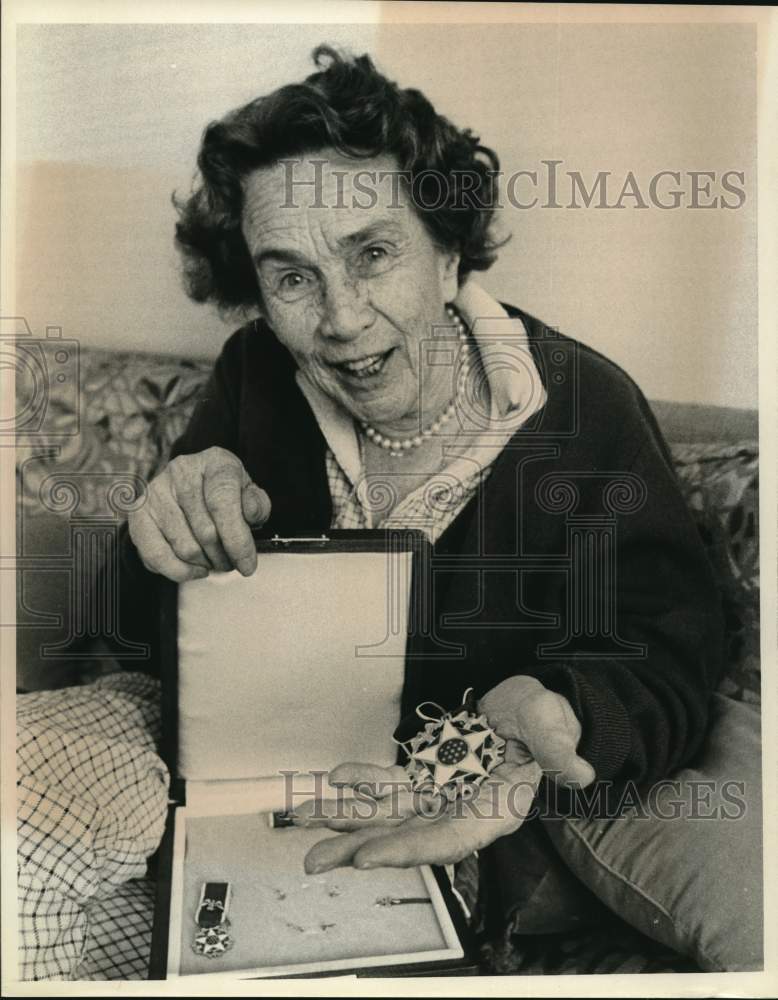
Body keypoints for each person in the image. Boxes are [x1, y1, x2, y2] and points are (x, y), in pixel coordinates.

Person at [20, 46, 754, 977]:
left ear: (447, 253)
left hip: (457, 816)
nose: (340, 317)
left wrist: (564, 706)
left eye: (372, 253)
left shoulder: (583, 408)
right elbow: (141, 642)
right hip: (248, 793)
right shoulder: (257, 378)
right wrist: (158, 535)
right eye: (291, 276)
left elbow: (670, 642)